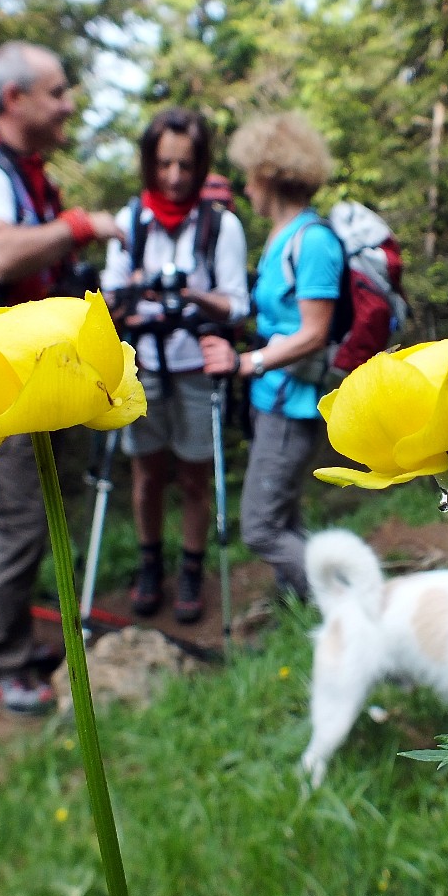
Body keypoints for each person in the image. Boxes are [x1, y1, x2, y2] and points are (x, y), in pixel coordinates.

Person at [0, 41, 125, 715]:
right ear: (14, 99)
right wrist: (79, 227)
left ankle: (10, 646)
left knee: (27, 517)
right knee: (12, 522)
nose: (69, 105)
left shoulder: (16, 172)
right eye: (58, 91)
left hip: (20, 377)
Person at [100, 109, 249, 623]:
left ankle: (190, 568)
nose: (174, 177)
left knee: (193, 476)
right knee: (146, 473)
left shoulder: (219, 225)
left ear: (201, 164)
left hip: (194, 366)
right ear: (148, 163)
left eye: (185, 165)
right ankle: (149, 564)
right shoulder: (130, 221)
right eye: (163, 164)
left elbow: (237, 303)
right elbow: (107, 300)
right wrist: (135, 293)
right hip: (143, 368)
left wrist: (189, 295)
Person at [200, 112, 342, 602]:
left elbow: (314, 333)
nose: (245, 187)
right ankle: (301, 607)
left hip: (292, 402)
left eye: (248, 175)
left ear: (266, 175)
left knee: (260, 528)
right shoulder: (283, 239)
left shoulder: (313, 241)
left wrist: (246, 363)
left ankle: (345, 599)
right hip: (272, 398)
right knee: (285, 517)